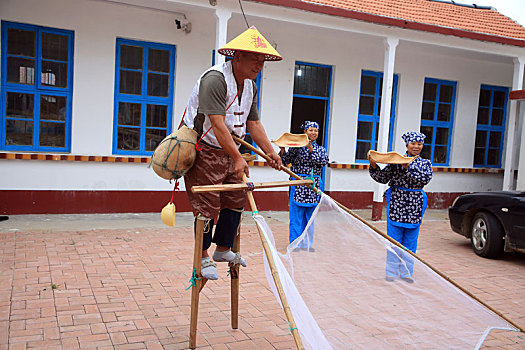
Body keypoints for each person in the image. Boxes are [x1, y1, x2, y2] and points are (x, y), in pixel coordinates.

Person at [183, 27, 282, 280]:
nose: (259, 65)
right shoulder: (215, 79)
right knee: (206, 205)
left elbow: (254, 124)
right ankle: (203, 256)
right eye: (254, 59)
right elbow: (216, 123)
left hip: (231, 150)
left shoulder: (250, 86)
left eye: (262, 61)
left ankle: (223, 249)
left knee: (237, 197)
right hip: (204, 149)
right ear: (237, 57)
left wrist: (270, 152)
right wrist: (239, 158)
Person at [367, 131, 433, 283]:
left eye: (419, 144)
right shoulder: (395, 161)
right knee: (393, 240)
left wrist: (408, 166)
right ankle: (391, 272)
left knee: (410, 241)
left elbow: (425, 178)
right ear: (407, 145)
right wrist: (373, 164)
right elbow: (382, 178)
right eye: (413, 143)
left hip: (415, 203)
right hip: (397, 202)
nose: (416, 146)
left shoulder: (425, 163)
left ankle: (406, 273)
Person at [279, 121, 329, 251]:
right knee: (296, 216)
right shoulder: (296, 148)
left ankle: (307, 245)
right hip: (298, 183)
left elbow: (323, 162)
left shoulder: (321, 149)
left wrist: (311, 151)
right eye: (310, 130)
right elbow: (285, 162)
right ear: (305, 132)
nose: (313, 133)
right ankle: (295, 243)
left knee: (310, 217)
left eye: (316, 131)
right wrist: (283, 151)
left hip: (313, 185)